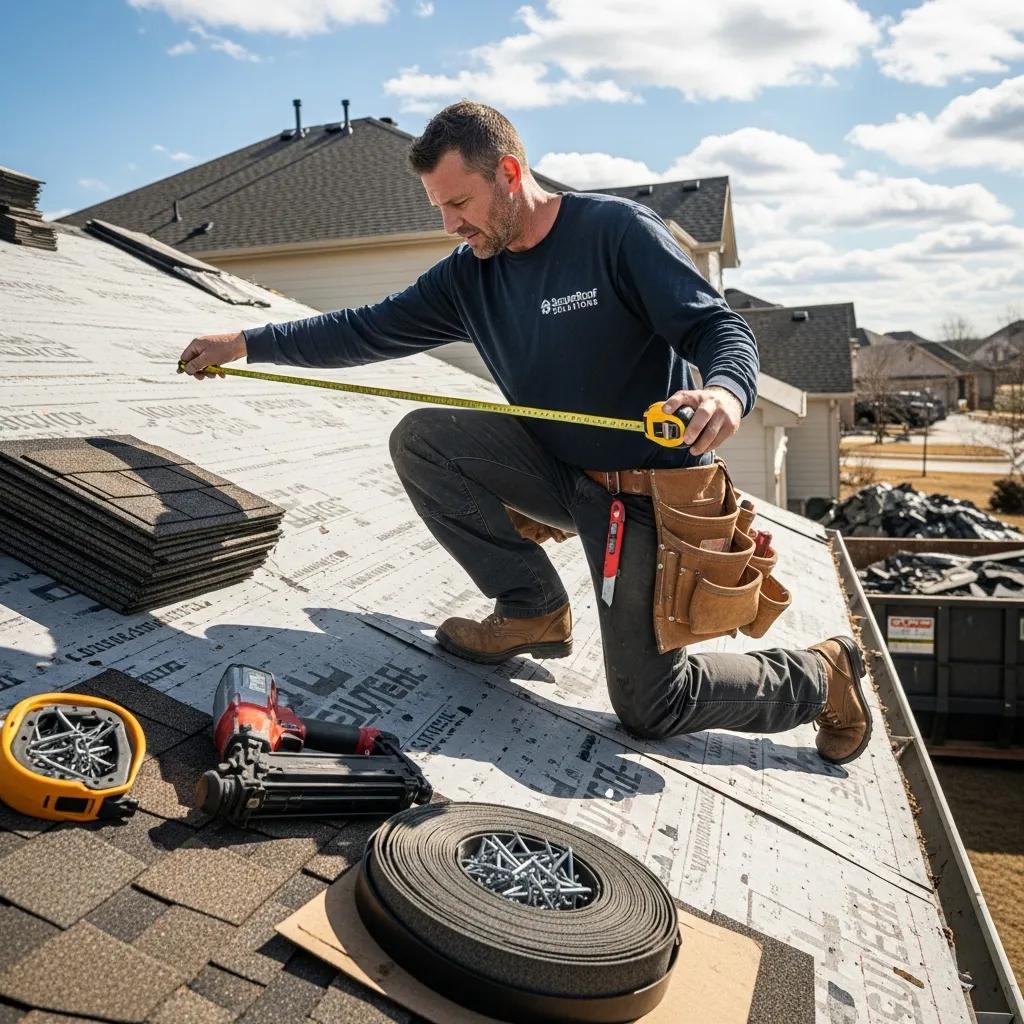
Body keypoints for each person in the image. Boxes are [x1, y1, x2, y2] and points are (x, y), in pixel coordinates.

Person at [180, 101, 872, 764]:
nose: (451, 224)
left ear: (509, 175)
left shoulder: (615, 234)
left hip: (645, 500)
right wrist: (246, 340)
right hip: (556, 471)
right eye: (440, 209)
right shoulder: (469, 278)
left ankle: (821, 675)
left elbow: (716, 327)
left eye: (460, 204)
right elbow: (362, 329)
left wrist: (724, 389)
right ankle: (532, 607)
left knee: (650, 706)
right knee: (424, 440)